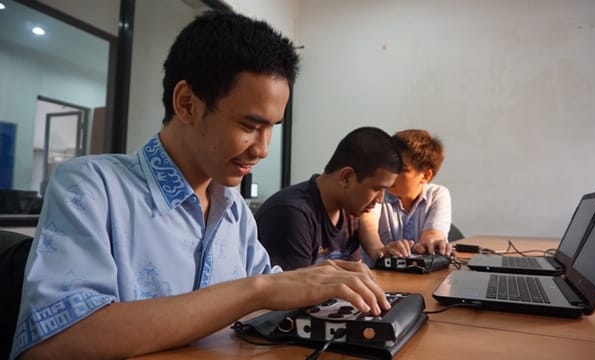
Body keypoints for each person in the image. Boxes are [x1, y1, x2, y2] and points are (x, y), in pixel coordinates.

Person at [11, 11, 389, 360]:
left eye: (272, 128)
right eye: (249, 125)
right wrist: (257, 290)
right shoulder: (91, 187)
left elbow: (272, 297)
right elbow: (53, 342)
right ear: (187, 104)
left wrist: (327, 286)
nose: (262, 149)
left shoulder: (234, 210)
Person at [255, 126, 405, 270]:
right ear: (346, 177)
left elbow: (352, 276)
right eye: (377, 189)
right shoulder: (292, 214)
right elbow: (291, 292)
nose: (380, 199)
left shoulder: (350, 213)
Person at [359, 129, 453, 263]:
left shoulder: (437, 194)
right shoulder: (379, 189)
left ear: (426, 176)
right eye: (390, 165)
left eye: (401, 170)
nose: (391, 174)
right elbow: (367, 222)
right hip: (376, 276)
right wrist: (378, 250)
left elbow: (433, 234)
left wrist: (430, 245)